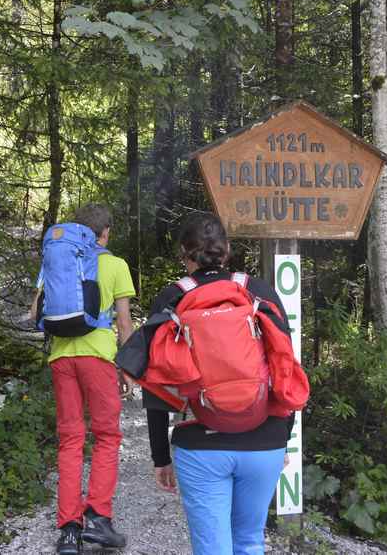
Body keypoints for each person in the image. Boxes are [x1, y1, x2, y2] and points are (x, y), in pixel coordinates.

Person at [131, 213, 295, 555]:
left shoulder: (171, 299)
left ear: (184, 254)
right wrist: (283, 439)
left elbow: (157, 385)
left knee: (213, 549)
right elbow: (286, 368)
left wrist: (161, 457)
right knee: (249, 542)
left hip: (201, 442)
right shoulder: (260, 292)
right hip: (265, 440)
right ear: (228, 250)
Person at [31, 203, 135, 555]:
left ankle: (69, 532)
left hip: (62, 358)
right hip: (98, 358)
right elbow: (123, 323)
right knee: (106, 435)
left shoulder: (56, 260)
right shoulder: (116, 264)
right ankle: (99, 519)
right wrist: (130, 367)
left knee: (71, 440)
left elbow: (35, 313)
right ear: (105, 232)